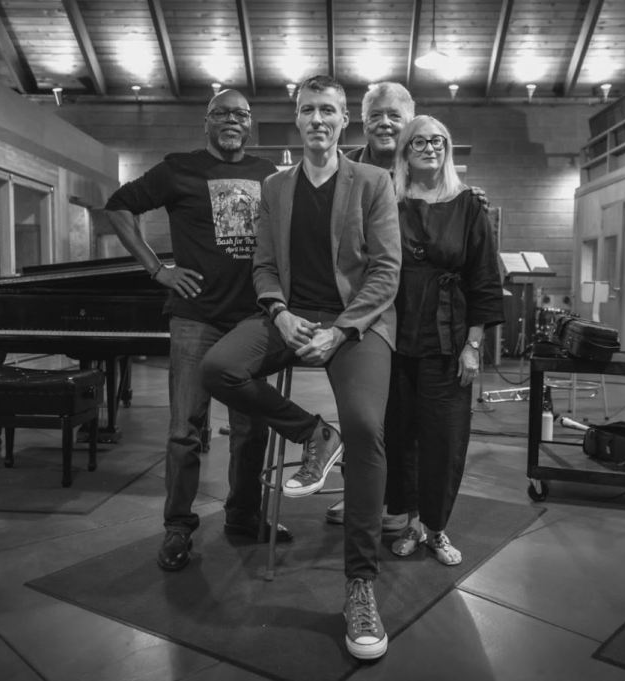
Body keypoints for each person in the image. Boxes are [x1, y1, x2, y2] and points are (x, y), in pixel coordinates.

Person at [201, 74, 400, 660]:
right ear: (297, 118)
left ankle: (361, 585)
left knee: (367, 427)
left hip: (357, 322)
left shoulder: (373, 182)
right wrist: (281, 314)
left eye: (329, 111)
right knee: (218, 369)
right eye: (308, 110)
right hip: (292, 316)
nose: (318, 119)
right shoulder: (276, 186)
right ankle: (315, 433)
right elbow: (263, 266)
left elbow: (386, 272)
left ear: (345, 121)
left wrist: (341, 330)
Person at [96, 88, 291, 574]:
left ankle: (243, 517)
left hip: (252, 319)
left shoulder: (270, 175)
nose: (232, 120)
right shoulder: (178, 169)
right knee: (185, 429)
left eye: (241, 114)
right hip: (195, 317)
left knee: (251, 428)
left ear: (250, 125)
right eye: (222, 113)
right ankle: (178, 527)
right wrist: (156, 269)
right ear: (206, 122)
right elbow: (119, 205)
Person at [324, 81, 489, 530]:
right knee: (370, 422)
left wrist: (473, 339)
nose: (384, 123)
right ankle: (368, 498)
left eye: (394, 116)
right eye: (375, 115)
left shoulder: (446, 191)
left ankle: (412, 513)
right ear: (361, 122)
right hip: (370, 317)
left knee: (426, 428)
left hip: (430, 326)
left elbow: (478, 269)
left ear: (411, 120)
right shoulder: (347, 170)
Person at [385, 115, 505, 566]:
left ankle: (436, 528)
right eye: (419, 141)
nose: (430, 148)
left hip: (448, 339)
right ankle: (411, 521)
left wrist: (473, 344)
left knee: (445, 438)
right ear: (405, 151)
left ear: (447, 148)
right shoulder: (388, 201)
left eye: (438, 141)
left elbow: (484, 279)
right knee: (400, 436)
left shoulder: (469, 204)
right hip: (394, 338)